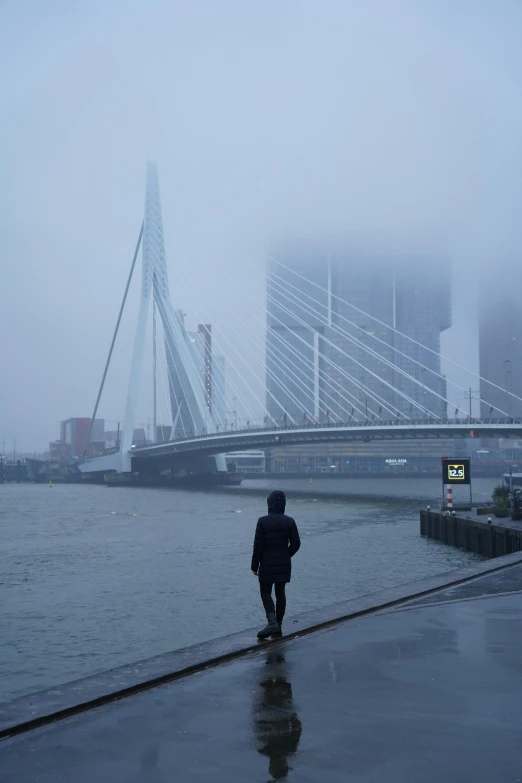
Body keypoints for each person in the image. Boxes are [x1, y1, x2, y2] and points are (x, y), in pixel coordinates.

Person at [251, 490, 301, 639]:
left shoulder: (262, 521)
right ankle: (278, 625)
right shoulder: (289, 521)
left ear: (270, 504)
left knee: (265, 592)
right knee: (281, 593)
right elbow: (296, 544)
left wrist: (254, 566)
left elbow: (258, 546)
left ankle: (271, 622)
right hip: (283, 562)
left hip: (266, 563)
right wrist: (286, 554)